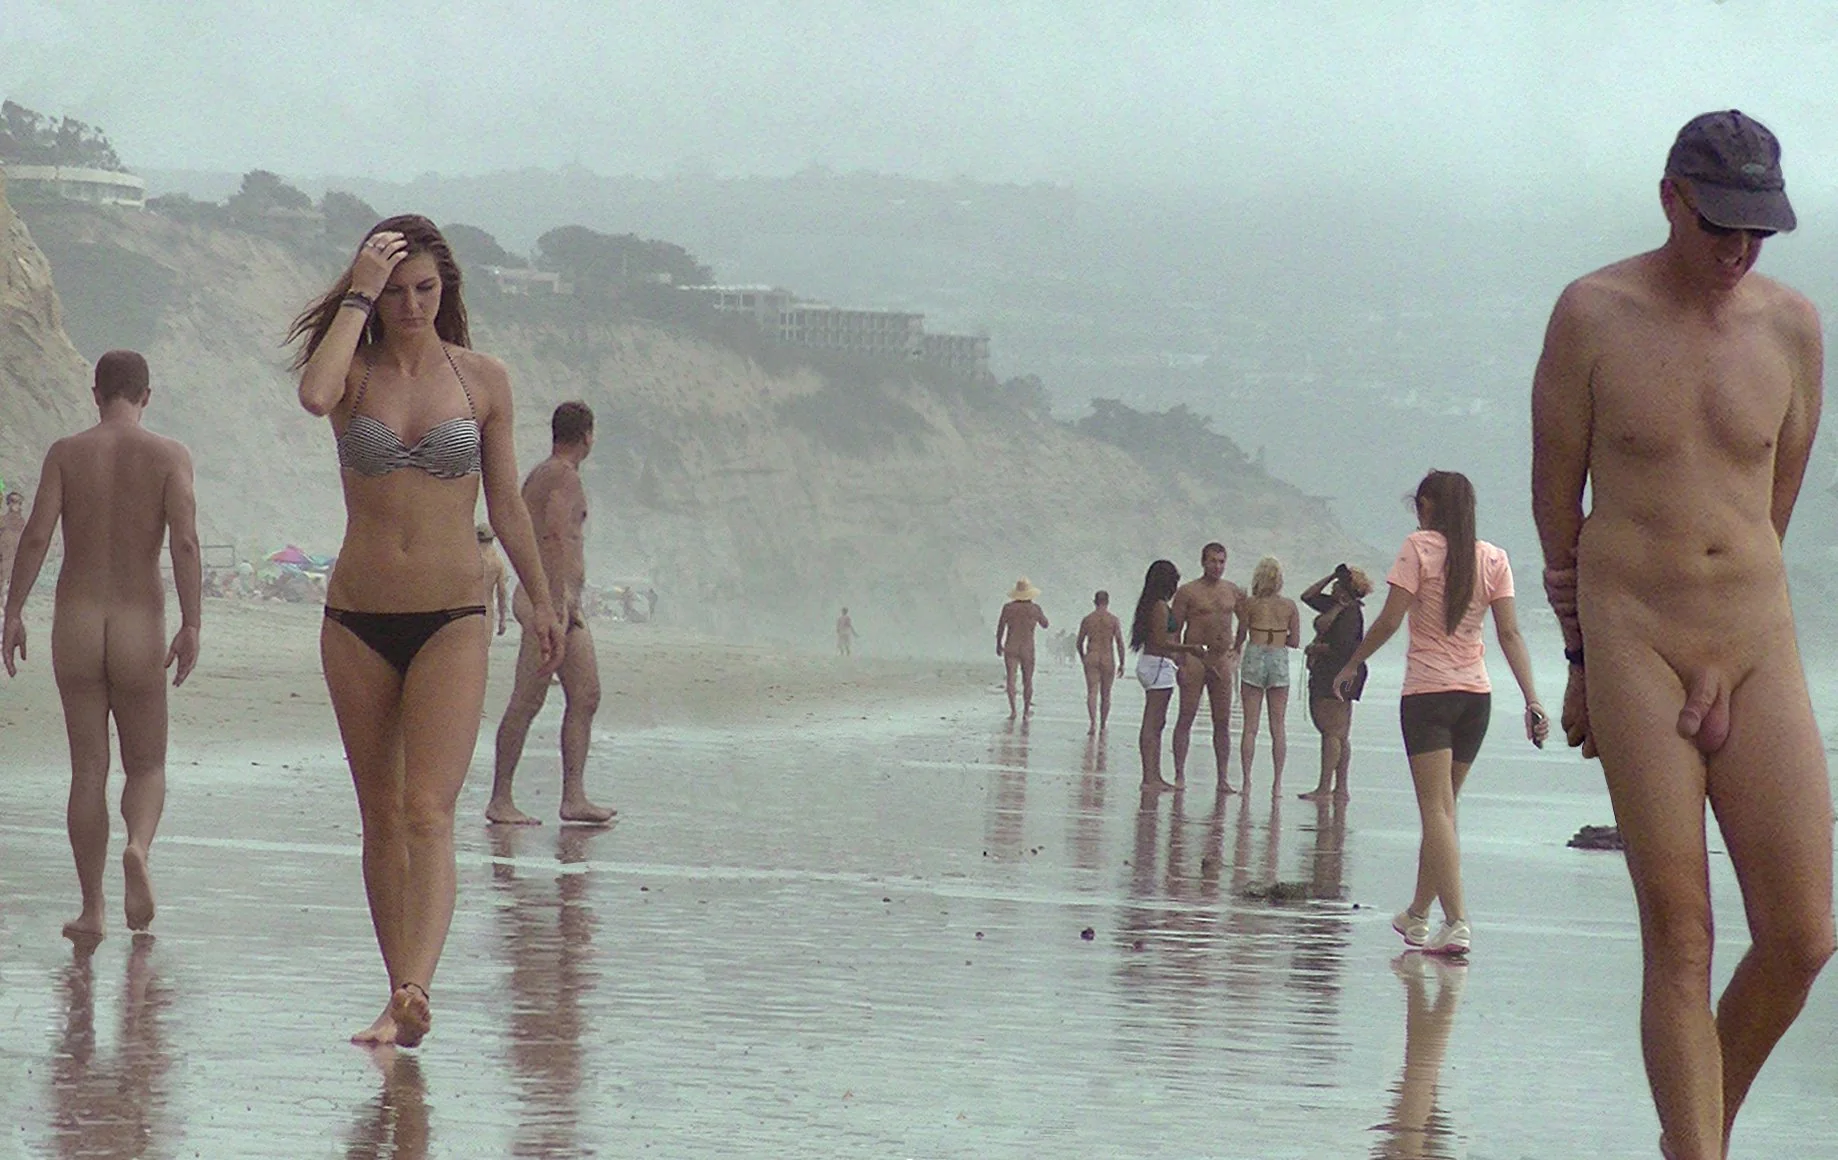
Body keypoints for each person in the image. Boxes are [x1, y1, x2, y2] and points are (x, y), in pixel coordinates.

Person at [1531, 111, 1831, 1160]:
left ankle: (1692, 1132)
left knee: (1802, 934)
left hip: (1753, 638)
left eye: (1759, 231)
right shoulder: (1591, 313)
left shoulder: (1794, 327)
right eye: (1719, 225)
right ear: (1671, 198)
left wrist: (1734, 623)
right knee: (1682, 933)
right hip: (1634, 637)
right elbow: (1556, 507)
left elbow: (1771, 503)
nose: (1737, 249)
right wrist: (1580, 663)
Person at [291, 216, 564, 1047]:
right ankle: (395, 993)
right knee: (379, 814)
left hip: (452, 616)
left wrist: (542, 599)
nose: (412, 305)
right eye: (397, 291)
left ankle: (417, 985)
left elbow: (506, 502)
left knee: (427, 811)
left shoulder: (483, 380)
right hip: (356, 619)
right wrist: (359, 293)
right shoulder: (353, 372)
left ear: (448, 291)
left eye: (426, 289)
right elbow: (313, 396)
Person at [2, 350, 201, 940]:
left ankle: (92, 910)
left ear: (95, 393)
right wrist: (191, 623)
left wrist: (12, 611)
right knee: (147, 764)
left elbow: (36, 537)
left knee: (88, 769)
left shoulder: (66, 453)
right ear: (146, 395)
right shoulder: (169, 456)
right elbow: (185, 544)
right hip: (139, 621)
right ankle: (137, 846)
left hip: (77, 622)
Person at [1334, 470, 1547, 958]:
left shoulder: (1419, 548)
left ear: (1428, 506)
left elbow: (1390, 619)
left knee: (1436, 811)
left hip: (1428, 695)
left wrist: (1353, 662)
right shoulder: (1494, 558)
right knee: (1445, 812)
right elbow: (1510, 634)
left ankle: (1456, 921)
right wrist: (1532, 699)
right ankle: (1417, 914)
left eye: (1418, 505)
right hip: (1476, 699)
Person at [489, 401, 615, 828]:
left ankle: (573, 797)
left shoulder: (545, 474)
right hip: (549, 602)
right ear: (588, 436)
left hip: (558, 602)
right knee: (527, 700)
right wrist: (556, 604)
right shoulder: (562, 477)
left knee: (586, 695)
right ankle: (500, 799)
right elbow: (557, 536)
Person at [1130, 560, 1210, 792]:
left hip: (1153, 664)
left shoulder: (1151, 605)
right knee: (1153, 723)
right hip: (1157, 665)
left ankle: (1154, 775)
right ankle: (1149, 777)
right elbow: (1160, 641)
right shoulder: (1159, 607)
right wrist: (1190, 648)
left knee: (1157, 722)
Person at [1170, 542, 1243, 791]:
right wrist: (1179, 659)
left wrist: (1237, 648)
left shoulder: (1232, 591)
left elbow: (1245, 619)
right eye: (1212, 561)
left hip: (1221, 658)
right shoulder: (1188, 592)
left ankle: (1222, 778)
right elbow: (1174, 629)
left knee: (1222, 721)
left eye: (1221, 561)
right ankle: (1179, 775)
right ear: (1203, 562)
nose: (1217, 566)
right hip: (1194, 657)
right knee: (1186, 716)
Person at [1298, 564, 1373, 802]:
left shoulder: (1349, 614)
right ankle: (1340, 788)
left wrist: (1316, 648)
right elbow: (1307, 596)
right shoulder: (1336, 606)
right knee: (1340, 733)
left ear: (1344, 590)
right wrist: (1331, 575)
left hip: (1335, 673)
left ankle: (1324, 788)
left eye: (1337, 585)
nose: (1332, 588)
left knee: (1331, 731)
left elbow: (1343, 648)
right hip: (1345, 673)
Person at [1234, 556, 1301, 793]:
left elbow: (1241, 634)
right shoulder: (1289, 606)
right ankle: (1277, 783)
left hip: (1255, 654)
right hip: (1278, 657)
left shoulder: (1250, 604)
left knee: (1250, 726)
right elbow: (1295, 641)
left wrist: (1235, 649)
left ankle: (1246, 781)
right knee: (1278, 726)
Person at [995, 577, 1048, 718]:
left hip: (1011, 646)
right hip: (1027, 647)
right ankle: (1025, 711)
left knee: (1011, 679)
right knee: (1027, 680)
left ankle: (1013, 710)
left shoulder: (1008, 608)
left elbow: (1001, 627)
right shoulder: (1034, 609)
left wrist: (998, 644)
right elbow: (1045, 624)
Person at [1075, 590, 1126, 735]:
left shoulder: (1088, 619)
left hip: (1092, 655)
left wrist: (1083, 657)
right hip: (1107, 657)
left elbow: (1079, 642)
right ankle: (1103, 725)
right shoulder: (1113, 620)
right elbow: (1119, 642)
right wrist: (1122, 662)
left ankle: (1092, 724)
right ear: (1107, 602)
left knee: (1092, 692)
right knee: (1106, 694)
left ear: (1095, 602)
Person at [477, 523, 508, 636]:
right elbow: (502, 592)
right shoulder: (497, 563)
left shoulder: (469, 560)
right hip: (486, 611)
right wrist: (502, 619)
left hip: (466, 608)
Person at [0, 490, 25, 600]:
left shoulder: (22, 522)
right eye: (12, 501)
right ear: (8, 503)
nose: (15, 504)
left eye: (18, 502)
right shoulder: (2, 520)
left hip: (16, 556)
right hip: (3, 555)